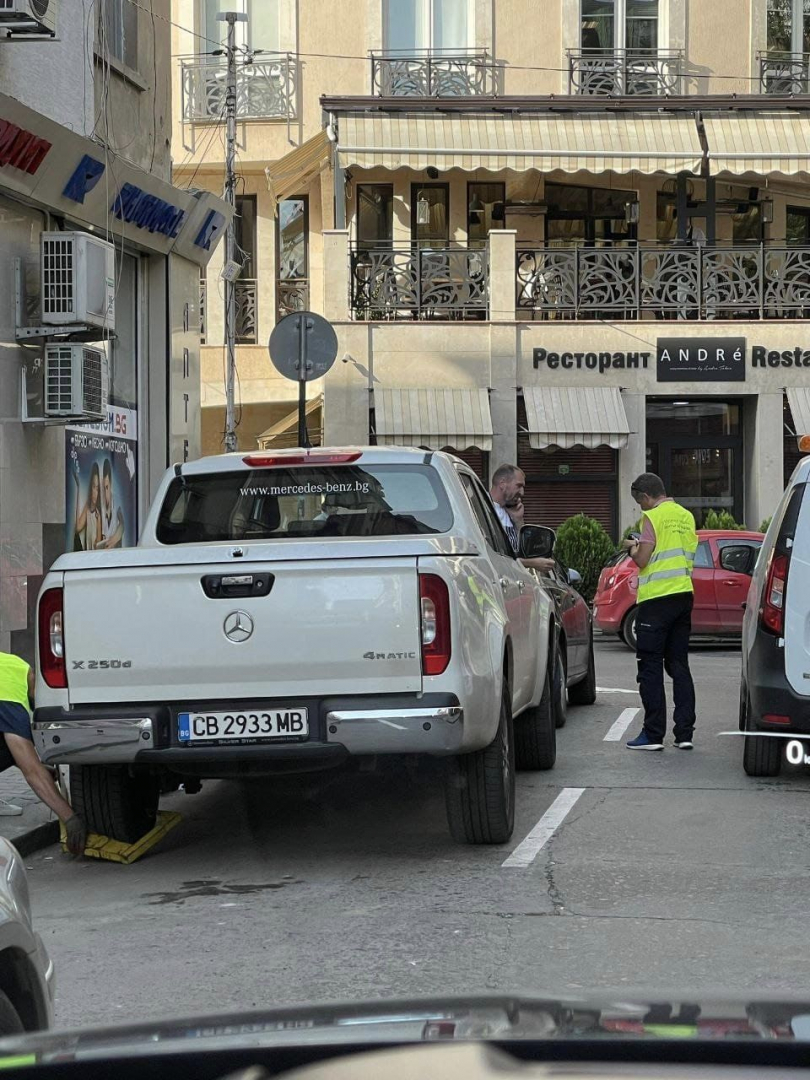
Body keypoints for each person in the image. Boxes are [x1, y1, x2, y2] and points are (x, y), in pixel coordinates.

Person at [622, 472, 699, 751]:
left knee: (650, 668)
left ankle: (653, 734)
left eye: (639, 502)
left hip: (656, 600)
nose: (640, 508)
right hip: (683, 595)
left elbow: (643, 560)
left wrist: (632, 548)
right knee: (679, 666)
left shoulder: (652, 518)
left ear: (645, 496)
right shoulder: (686, 516)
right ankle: (685, 733)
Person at [0, 650, 86, 854]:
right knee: (20, 747)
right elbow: (32, 773)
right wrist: (69, 818)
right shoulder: (10, 699)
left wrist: (37, 764)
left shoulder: (14, 665)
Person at [489, 463, 555, 573]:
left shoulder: (509, 510)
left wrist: (518, 520)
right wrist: (532, 563)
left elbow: (519, 550)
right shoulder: (483, 509)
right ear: (502, 484)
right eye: (518, 486)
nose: (522, 492)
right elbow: (495, 558)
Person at [73, 461, 102, 551]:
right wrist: (78, 489)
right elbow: (77, 527)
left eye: (97, 489)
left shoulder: (98, 515)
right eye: (93, 487)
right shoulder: (87, 508)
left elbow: (98, 544)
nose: (95, 493)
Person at [98, 458, 125, 549]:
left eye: (107, 487)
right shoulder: (101, 508)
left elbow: (122, 523)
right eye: (102, 488)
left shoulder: (118, 503)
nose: (105, 494)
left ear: (111, 485)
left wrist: (116, 537)